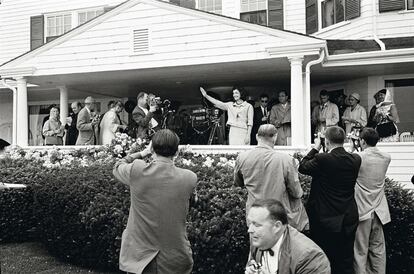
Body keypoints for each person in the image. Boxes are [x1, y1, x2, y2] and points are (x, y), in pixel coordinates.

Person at [113, 129, 197, 274]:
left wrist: (142, 153)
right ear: (176, 152)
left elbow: (117, 165)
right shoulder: (189, 178)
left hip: (140, 260)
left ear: (152, 149)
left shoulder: (137, 171)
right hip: (176, 258)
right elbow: (192, 201)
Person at [298, 126, 361, 274]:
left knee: (324, 258)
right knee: (345, 260)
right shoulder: (356, 159)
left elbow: (302, 166)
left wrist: (315, 148)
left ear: (326, 141)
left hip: (324, 218)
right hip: (348, 217)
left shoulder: (322, 158)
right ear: (344, 140)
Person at [234, 124, 308, 231]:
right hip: (278, 217)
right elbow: (296, 192)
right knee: (281, 247)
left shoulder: (242, 158)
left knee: (256, 245)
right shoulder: (286, 160)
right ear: (275, 137)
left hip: (254, 216)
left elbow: (238, 183)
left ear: (256, 137)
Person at [245, 199, 330, 274]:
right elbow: (252, 262)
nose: (250, 230)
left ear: (277, 226)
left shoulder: (309, 257)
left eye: (257, 225)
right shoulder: (259, 240)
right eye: (250, 223)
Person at [352, 128, 391, 274]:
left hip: (362, 209)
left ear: (362, 141)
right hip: (379, 209)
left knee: (360, 251)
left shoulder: (358, 157)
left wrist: (353, 149)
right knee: (378, 250)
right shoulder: (386, 157)